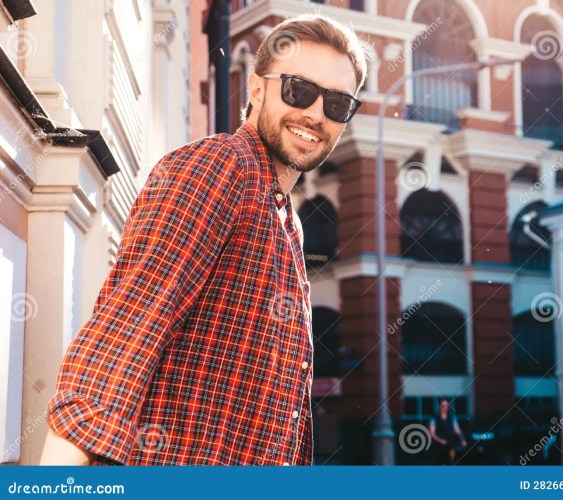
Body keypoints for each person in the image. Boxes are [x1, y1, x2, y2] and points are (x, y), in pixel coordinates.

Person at [39, 13, 367, 466]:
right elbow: (124, 333)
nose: (315, 113)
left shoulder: (286, 219)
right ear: (257, 90)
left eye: (337, 104)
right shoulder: (220, 166)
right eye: (298, 89)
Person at [429, 399, 467, 465]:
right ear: (439, 407)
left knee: (451, 463)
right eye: (442, 405)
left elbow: (457, 430)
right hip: (438, 448)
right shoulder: (434, 418)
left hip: (450, 445)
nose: (444, 407)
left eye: (446, 405)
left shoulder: (452, 418)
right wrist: (440, 440)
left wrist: (462, 440)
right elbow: (432, 433)